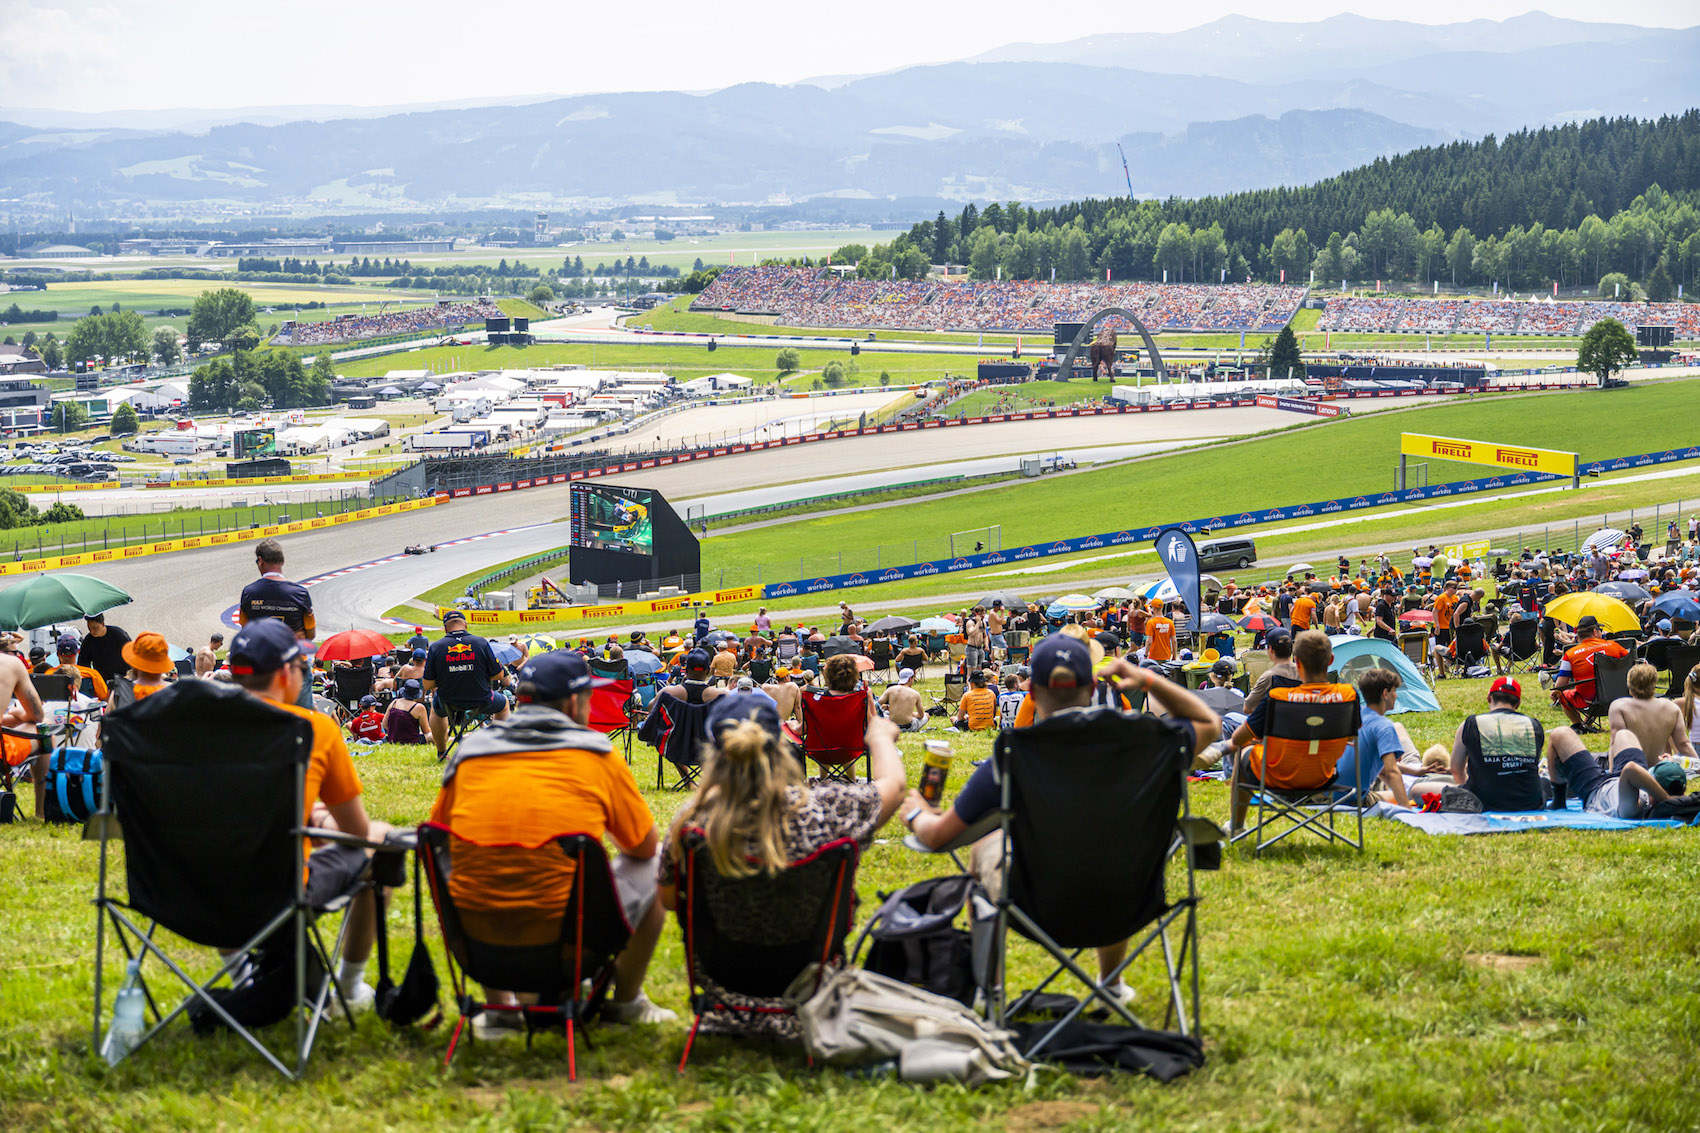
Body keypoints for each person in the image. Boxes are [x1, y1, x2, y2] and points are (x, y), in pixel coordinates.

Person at [906, 636, 1218, 1006]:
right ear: (1092, 688)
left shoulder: (1013, 754)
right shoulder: (1150, 743)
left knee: (984, 846)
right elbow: (1208, 722)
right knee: (1111, 847)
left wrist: (916, 811)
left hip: (1033, 908)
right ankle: (1111, 984)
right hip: (1131, 903)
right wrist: (1147, 679)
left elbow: (937, 838)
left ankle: (990, 991)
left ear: (1032, 692)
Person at [428, 650, 675, 1028]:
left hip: (475, 945)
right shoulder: (597, 753)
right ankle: (627, 1002)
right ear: (575, 703)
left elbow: (439, 836)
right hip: (570, 947)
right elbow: (641, 846)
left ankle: (500, 1010)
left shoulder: (470, 752)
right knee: (656, 860)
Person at [657, 692, 904, 1041]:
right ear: (781, 747)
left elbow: (669, 899)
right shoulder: (828, 810)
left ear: (713, 753)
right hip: (808, 979)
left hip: (724, 976)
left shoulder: (692, 822)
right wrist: (880, 739)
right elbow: (893, 787)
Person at [226, 620, 385, 1008]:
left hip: (183, 892)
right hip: (280, 892)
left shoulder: (188, 729)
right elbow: (357, 832)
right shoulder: (314, 728)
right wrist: (323, 819)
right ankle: (349, 987)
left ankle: (244, 978)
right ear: (286, 674)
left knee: (222, 858)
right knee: (379, 840)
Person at [1227, 630, 1359, 837]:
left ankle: (1236, 825)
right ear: (1331, 660)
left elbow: (1237, 738)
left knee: (1243, 750)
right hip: (1325, 777)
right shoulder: (1348, 696)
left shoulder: (1277, 697)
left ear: (1297, 661)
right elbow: (1351, 738)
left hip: (1277, 777)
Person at [1445, 676, 1545, 811]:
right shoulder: (1534, 725)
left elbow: (1455, 769)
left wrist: (1465, 792)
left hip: (1482, 802)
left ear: (1488, 698)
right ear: (1518, 704)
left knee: (1419, 788)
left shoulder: (1470, 724)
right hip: (1531, 802)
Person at [423, 610, 511, 758]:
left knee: (436, 710)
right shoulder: (481, 643)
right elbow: (499, 675)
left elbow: (427, 685)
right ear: (466, 625)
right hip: (482, 699)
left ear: (445, 628)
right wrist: (476, 673)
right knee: (504, 704)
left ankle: (441, 752)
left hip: (448, 701)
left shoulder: (436, 647)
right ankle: (496, 747)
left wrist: (448, 676)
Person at [1545, 725, 1681, 818]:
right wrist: (1667, 765)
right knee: (1624, 734)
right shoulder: (1671, 788)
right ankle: (1611, 769)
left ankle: (1558, 802)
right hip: (1621, 779)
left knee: (1560, 734)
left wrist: (1666, 800)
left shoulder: (1633, 808)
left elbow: (1631, 769)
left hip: (1596, 788)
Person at [1336, 669, 1411, 806]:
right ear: (1385, 693)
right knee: (1403, 795)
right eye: (1394, 691)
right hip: (1352, 799)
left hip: (1329, 791)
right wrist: (1408, 811)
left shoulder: (1355, 714)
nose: (1396, 696)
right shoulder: (1383, 726)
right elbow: (1391, 772)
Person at [1609, 662, 1697, 765]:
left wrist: (1612, 772)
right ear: (1655, 683)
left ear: (1629, 683)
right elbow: (1683, 744)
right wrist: (1698, 765)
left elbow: (1615, 743)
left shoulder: (1619, 707)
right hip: (1658, 766)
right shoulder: (1671, 708)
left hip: (1632, 767)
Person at [1550, 615, 1630, 728]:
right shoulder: (1614, 646)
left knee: (1563, 694)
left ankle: (1579, 725)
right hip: (1618, 697)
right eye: (1600, 629)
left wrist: (1556, 692)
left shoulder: (1570, 654)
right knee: (1599, 686)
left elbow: (1560, 685)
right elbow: (1632, 665)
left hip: (1588, 701)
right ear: (1595, 632)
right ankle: (1586, 725)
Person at [1242, 627, 1297, 715]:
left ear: (1270, 649)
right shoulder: (1304, 673)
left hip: (1276, 720)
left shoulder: (1269, 677)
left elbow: (1247, 708)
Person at [111, 632, 175, 707]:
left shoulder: (120, 693)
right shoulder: (177, 693)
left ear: (135, 662)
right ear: (163, 663)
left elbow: (109, 714)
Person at [76, 613, 132, 687]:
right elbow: (83, 664)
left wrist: (130, 674)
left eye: (95, 628)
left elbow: (132, 654)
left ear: (102, 624)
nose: (92, 631)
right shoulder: (88, 641)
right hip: (102, 681)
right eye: (89, 629)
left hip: (124, 678)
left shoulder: (119, 635)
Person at [52, 632, 107, 701]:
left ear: (57, 654)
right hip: (86, 706)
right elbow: (105, 697)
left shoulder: (49, 674)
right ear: (77, 652)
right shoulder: (92, 674)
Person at [880, 668, 927, 732]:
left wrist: (887, 708)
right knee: (927, 715)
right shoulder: (915, 694)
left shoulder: (890, 690)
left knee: (885, 713)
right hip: (908, 727)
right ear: (910, 679)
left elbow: (876, 704)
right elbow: (921, 715)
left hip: (892, 725)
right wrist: (911, 714)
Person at [384, 679, 429, 744]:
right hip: (412, 741)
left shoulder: (394, 703)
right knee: (436, 735)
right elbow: (426, 731)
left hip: (392, 739)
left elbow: (385, 725)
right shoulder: (419, 707)